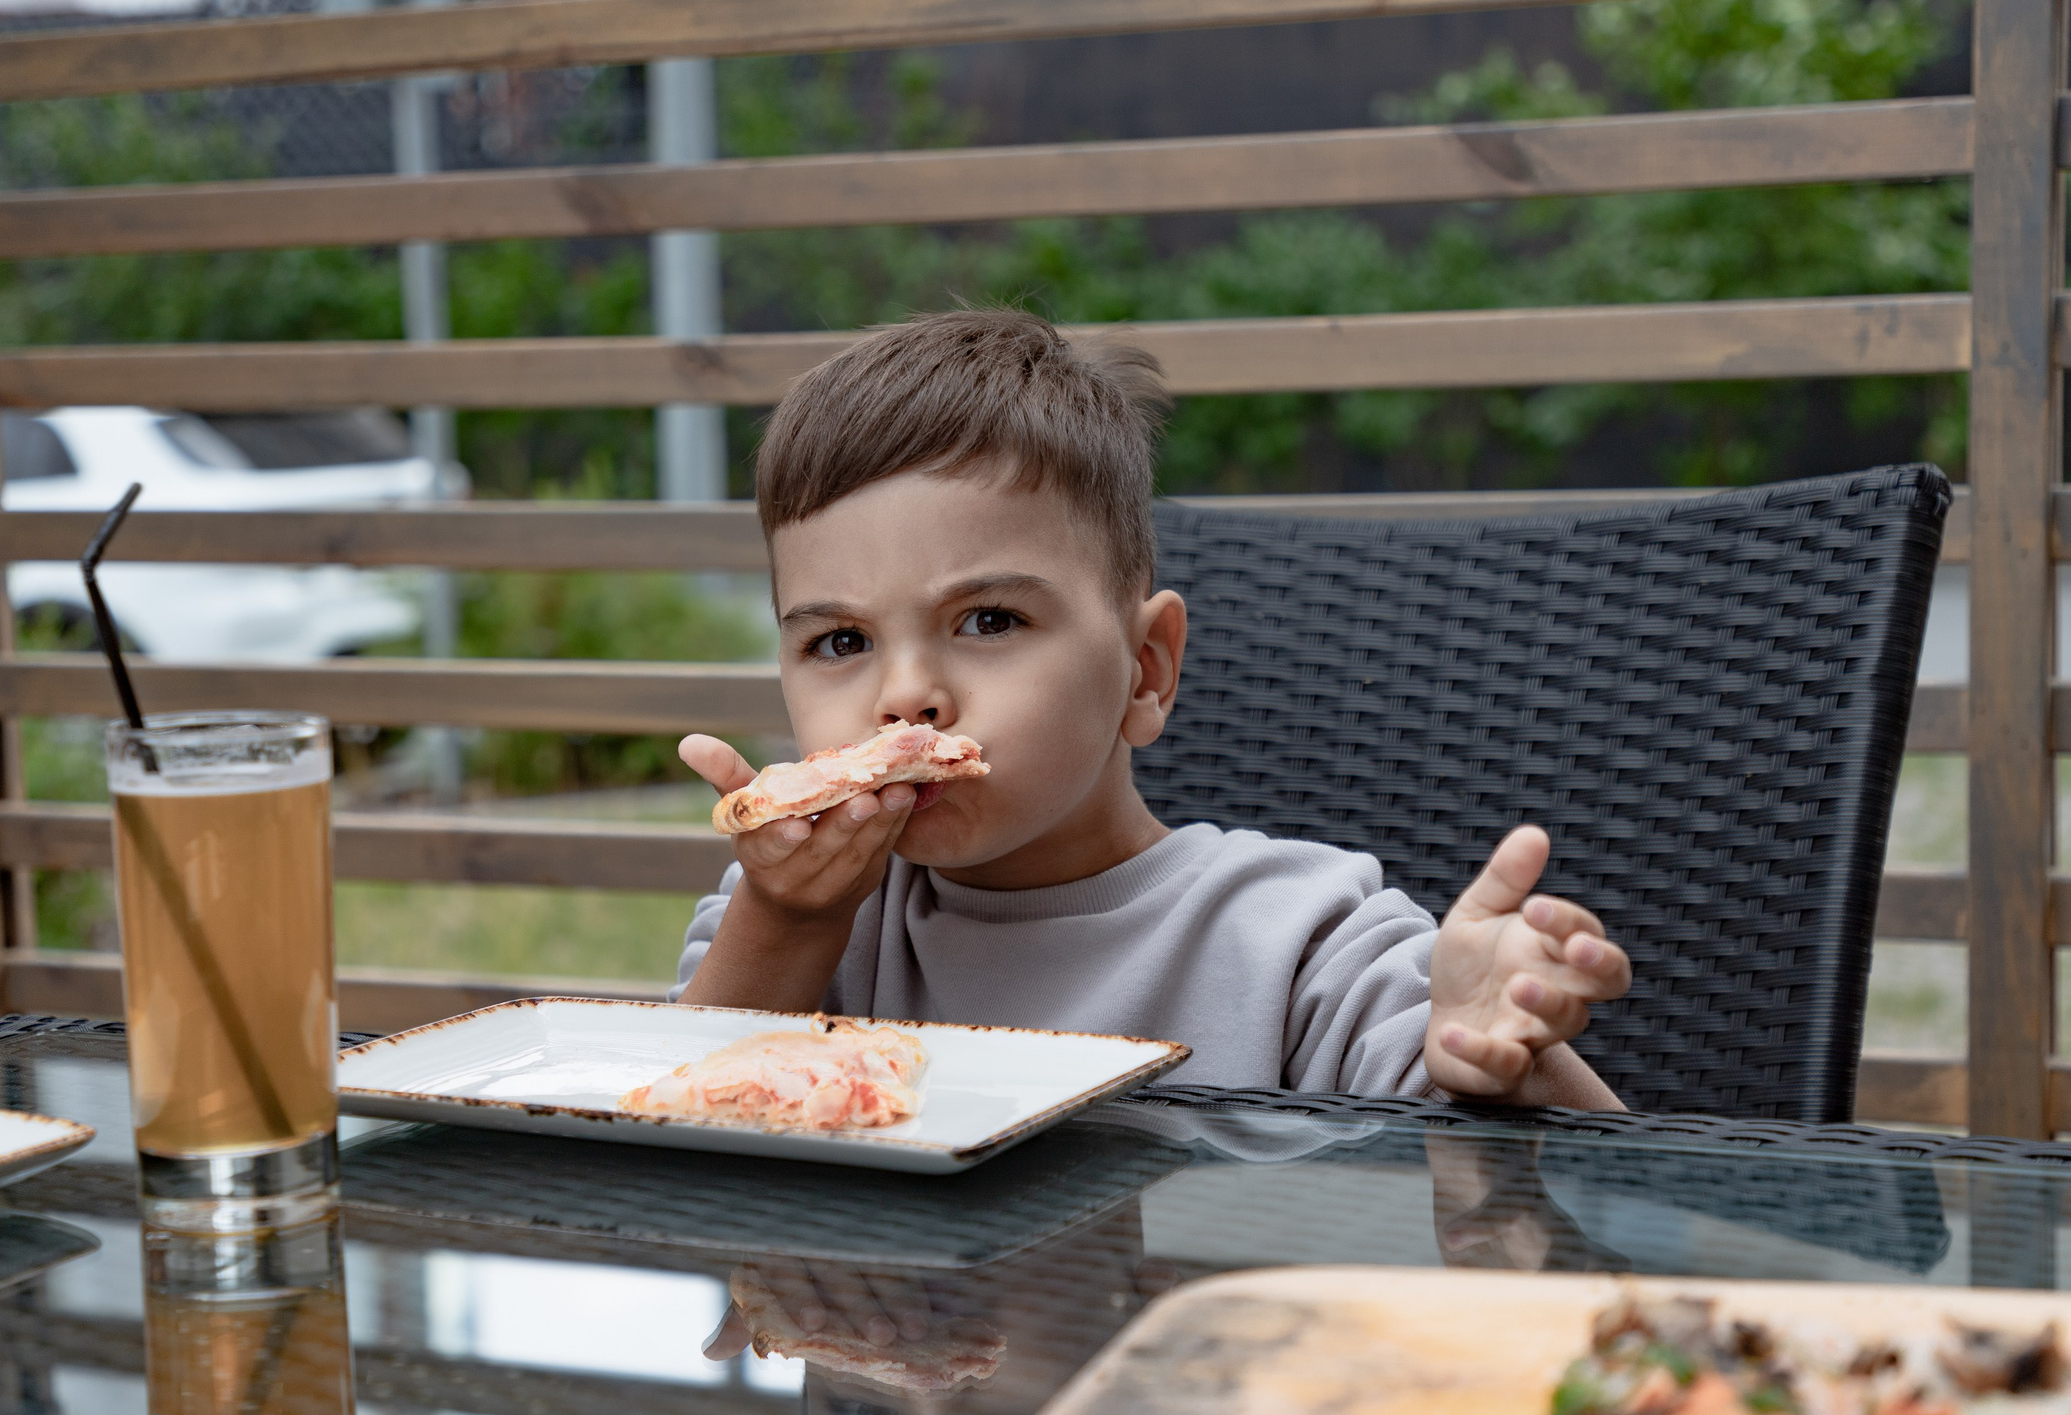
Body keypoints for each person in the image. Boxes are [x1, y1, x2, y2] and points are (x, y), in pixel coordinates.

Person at [672, 307, 1631, 1109]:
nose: (903, 695)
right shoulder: (806, 923)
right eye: (840, 642)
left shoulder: (1296, 941)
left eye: (988, 619)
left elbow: (1580, 1195)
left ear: (1144, 671)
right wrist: (788, 923)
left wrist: (1506, 1063)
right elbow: (673, 1137)